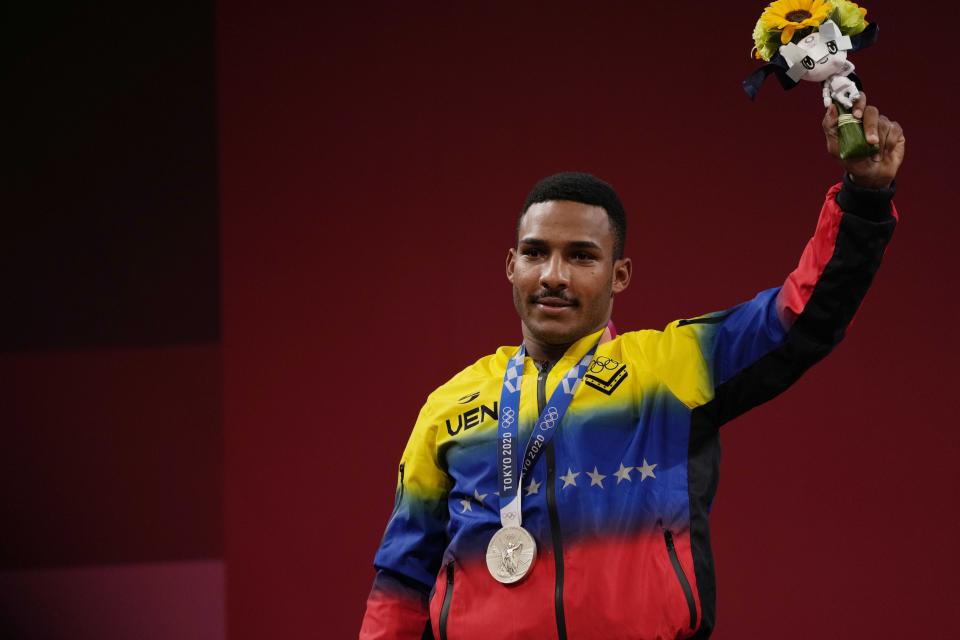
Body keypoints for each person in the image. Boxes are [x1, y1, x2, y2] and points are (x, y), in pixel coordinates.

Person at [359, 94, 905, 639]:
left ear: (618, 276)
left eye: (581, 256)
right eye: (535, 252)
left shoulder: (667, 369)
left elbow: (802, 315)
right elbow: (402, 580)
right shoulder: (449, 405)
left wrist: (864, 197)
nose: (553, 274)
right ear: (510, 266)